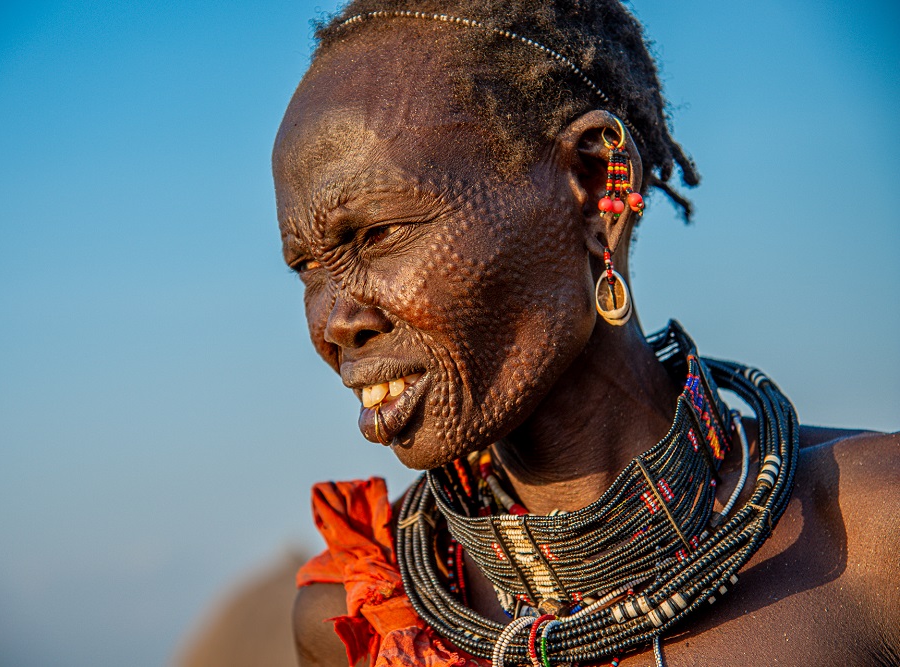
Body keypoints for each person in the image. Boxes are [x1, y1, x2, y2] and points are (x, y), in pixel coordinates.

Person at [272, 2, 900, 665]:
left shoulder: (872, 541)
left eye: (376, 234)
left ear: (598, 179)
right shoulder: (357, 619)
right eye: (308, 269)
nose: (333, 322)